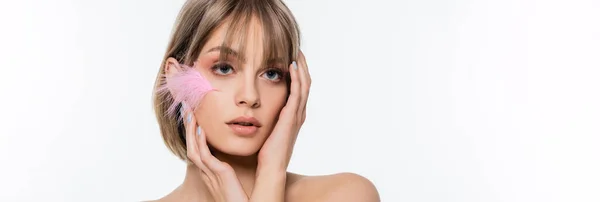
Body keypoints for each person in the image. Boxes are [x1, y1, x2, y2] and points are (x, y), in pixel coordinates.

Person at [148, 0, 380, 201]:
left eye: (271, 74)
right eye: (224, 68)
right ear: (176, 78)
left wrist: (271, 173)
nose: (250, 97)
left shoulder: (346, 195)